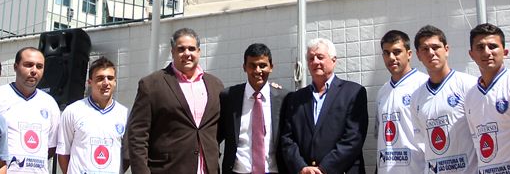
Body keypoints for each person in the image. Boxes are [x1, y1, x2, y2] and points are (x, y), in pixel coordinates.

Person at [126, 28, 224, 174]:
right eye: (181, 49)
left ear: (199, 52)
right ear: (172, 52)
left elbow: (219, 128)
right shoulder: (151, 85)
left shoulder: (215, 85)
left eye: (191, 49)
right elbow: (137, 135)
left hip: (207, 169)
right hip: (168, 169)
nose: (187, 54)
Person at [279, 37, 369, 174]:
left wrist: (324, 169)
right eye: (311, 58)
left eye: (320, 57)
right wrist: (301, 167)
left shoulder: (353, 92)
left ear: (333, 60)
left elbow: (353, 138)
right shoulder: (295, 99)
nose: (315, 62)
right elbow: (287, 138)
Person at [463, 23, 510, 174]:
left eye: (492, 46)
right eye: (480, 47)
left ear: (505, 52)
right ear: (471, 54)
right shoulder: (470, 96)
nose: (487, 52)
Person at [409, 25, 477, 173]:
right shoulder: (416, 98)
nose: (431, 53)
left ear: (446, 49)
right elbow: (422, 142)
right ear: (418, 55)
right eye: (425, 49)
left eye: (435, 47)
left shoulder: (469, 85)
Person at [219, 43, 290, 174]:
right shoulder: (229, 97)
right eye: (252, 65)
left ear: (271, 67)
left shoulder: (284, 98)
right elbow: (216, 135)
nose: (258, 70)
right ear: (244, 67)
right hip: (238, 171)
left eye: (262, 65)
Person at [0, 47, 61, 173]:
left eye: (39, 66)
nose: (34, 70)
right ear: (15, 67)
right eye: (28, 65)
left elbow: (51, 147)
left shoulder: (49, 103)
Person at [57, 56, 129, 174]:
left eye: (110, 78)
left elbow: (127, 156)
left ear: (115, 82)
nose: (106, 83)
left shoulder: (125, 114)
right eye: (100, 78)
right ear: (90, 82)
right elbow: (63, 153)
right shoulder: (73, 111)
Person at [375, 30, 428, 173]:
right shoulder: (382, 92)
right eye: (386, 53)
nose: (391, 57)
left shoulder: (423, 85)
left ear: (409, 54)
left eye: (397, 51)